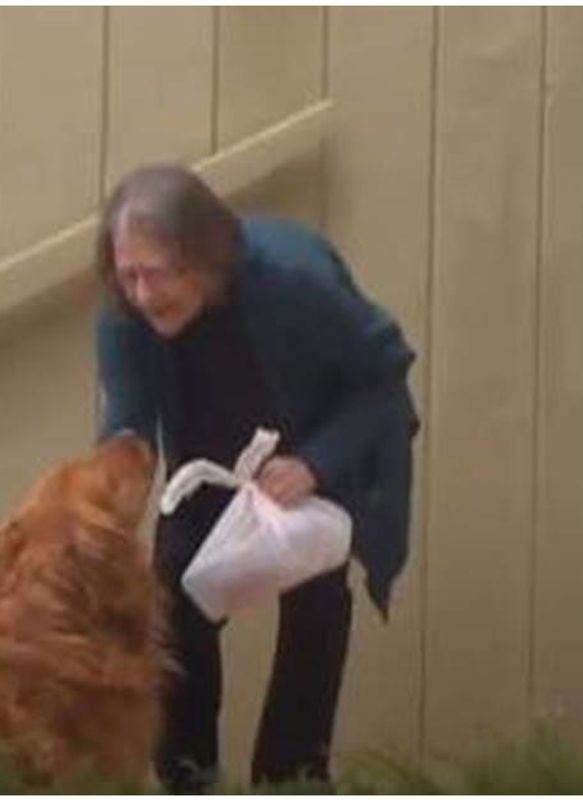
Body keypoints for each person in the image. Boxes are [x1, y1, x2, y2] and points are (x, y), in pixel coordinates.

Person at [94, 164, 418, 792]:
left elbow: (384, 382)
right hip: (205, 467)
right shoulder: (123, 310)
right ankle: (190, 780)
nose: (142, 294)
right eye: (128, 274)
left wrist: (317, 463)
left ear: (206, 256)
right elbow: (128, 425)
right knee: (171, 611)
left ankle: (292, 779)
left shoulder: (296, 277)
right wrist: (100, 518)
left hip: (310, 456)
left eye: (156, 272)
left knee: (317, 610)